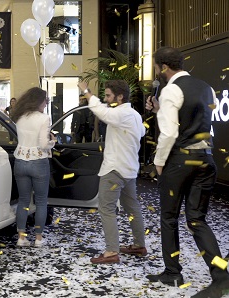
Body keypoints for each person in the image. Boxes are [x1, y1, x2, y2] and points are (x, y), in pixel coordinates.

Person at [145, 46, 229, 297]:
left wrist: (159, 161)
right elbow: (192, 120)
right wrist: (161, 111)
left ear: (164, 67)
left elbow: (170, 133)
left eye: (157, 67)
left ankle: (173, 273)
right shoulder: (204, 86)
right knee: (197, 219)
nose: (158, 72)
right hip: (206, 158)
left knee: (169, 217)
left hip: (180, 161)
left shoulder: (171, 88)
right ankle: (221, 276)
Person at [77, 80, 147, 264]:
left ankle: (111, 252)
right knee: (132, 208)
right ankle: (139, 245)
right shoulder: (134, 114)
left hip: (115, 170)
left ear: (120, 96)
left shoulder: (121, 112)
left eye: (108, 95)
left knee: (106, 209)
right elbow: (141, 133)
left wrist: (86, 91)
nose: (106, 99)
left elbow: (102, 112)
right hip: (129, 170)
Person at [10, 87, 56, 247]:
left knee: (23, 201)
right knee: (41, 201)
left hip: (20, 161)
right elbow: (44, 144)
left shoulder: (19, 117)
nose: (46, 103)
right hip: (38, 162)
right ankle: (38, 238)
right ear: (38, 101)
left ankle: (21, 238)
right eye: (45, 101)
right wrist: (53, 142)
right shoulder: (44, 118)